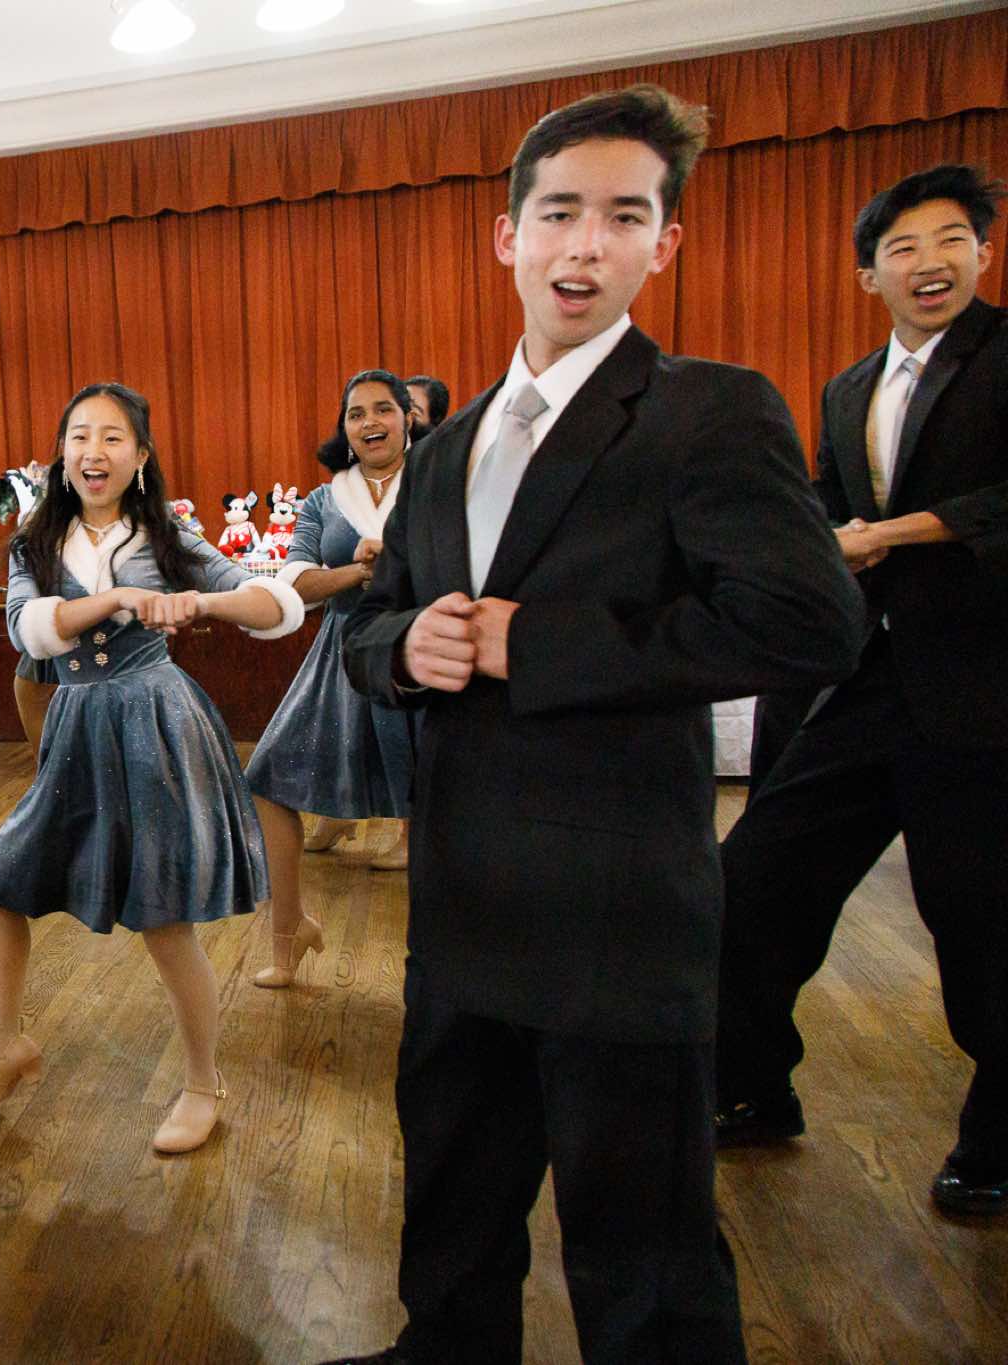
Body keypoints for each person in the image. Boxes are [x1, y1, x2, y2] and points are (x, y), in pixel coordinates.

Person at [329, 86, 865, 1364]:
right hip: (463, 894)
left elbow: (811, 626)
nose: (584, 244)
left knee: (642, 1245)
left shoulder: (707, 409)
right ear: (505, 235)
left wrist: (541, 644)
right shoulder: (444, 446)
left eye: (622, 217)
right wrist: (401, 650)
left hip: (618, 908)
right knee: (452, 1188)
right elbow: (371, 622)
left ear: (661, 246)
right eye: (559, 212)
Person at [714, 163, 1008, 1218]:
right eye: (902, 247)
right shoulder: (848, 389)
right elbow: (826, 507)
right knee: (752, 880)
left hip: (979, 692)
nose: (929, 262)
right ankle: (751, 1085)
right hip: (860, 681)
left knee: (978, 920)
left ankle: (996, 1142)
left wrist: (892, 533)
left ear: (982, 253)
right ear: (865, 275)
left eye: (950, 240)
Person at [0, 382, 304, 1154]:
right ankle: (4, 1043)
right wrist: (117, 597)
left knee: (162, 919)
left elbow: (275, 607)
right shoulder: (33, 544)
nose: (94, 450)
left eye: (113, 437)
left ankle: (203, 1082)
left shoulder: (169, 538)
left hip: (155, 725)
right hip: (79, 727)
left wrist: (202, 603)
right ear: (61, 454)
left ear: (141, 456)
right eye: (80, 435)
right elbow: (29, 631)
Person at [245, 371, 420, 990]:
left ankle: (451, 964)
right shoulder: (324, 500)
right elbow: (294, 583)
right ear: (344, 429)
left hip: (419, 655)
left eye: (383, 409)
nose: (370, 422)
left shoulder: (437, 482)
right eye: (356, 413)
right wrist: (357, 571)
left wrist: (401, 564)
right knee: (266, 781)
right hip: (343, 659)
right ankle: (289, 931)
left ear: (407, 419)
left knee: (437, 806)